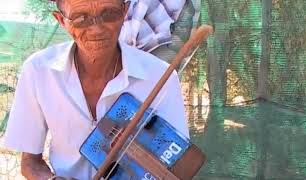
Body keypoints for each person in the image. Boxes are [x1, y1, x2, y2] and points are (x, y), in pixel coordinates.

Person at [3, 0, 189, 179]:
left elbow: (179, 167)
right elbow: (29, 163)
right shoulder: (38, 71)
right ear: (61, 21)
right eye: (81, 18)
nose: (97, 29)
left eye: (109, 14)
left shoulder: (160, 78)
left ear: (124, 12)